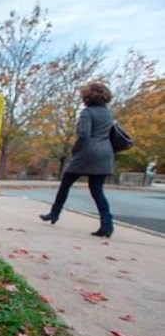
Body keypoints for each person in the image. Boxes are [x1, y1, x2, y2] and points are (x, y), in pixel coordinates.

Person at [40, 81, 115, 238]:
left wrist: (75, 150)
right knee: (97, 191)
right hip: (105, 154)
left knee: (65, 184)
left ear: (87, 96)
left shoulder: (87, 113)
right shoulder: (108, 113)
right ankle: (107, 225)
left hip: (87, 153)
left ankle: (54, 214)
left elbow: (83, 135)